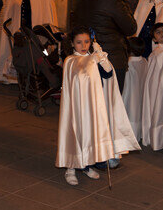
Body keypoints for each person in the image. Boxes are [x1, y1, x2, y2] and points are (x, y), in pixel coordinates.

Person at [56, 27, 140, 186]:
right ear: (73, 44)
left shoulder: (94, 57)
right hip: (76, 107)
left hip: (93, 106)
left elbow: (108, 74)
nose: (83, 45)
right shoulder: (70, 61)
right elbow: (78, 74)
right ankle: (71, 168)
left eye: (87, 41)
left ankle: (87, 165)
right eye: (79, 42)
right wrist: (92, 60)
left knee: (90, 134)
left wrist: (102, 58)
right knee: (76, 134)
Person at [70, 0, 137, 92]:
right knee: (110, 104)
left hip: (85, 56)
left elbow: (74, 25)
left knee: (90, 103)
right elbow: (130, 28)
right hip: (110, 60)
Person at [0, 0, 58, 84]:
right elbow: (10, 5)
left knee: (37, 50)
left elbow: (48, 7)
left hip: (36, 25)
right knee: (20, 50)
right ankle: (19, 76)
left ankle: (38, 76)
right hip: (20, 24)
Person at [141, 23, 163, 151]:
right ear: (154, 39)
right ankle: (160, 138)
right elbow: (153, 77)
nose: (162, 33)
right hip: (160, 90)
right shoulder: (156, 54)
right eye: (158, 32)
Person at [122, 37, 147, 141]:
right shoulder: (144, 61)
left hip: (129, 95)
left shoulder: (128, 64)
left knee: (130, 111)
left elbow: (126, 85)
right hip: (141, 94)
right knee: (138, 112)